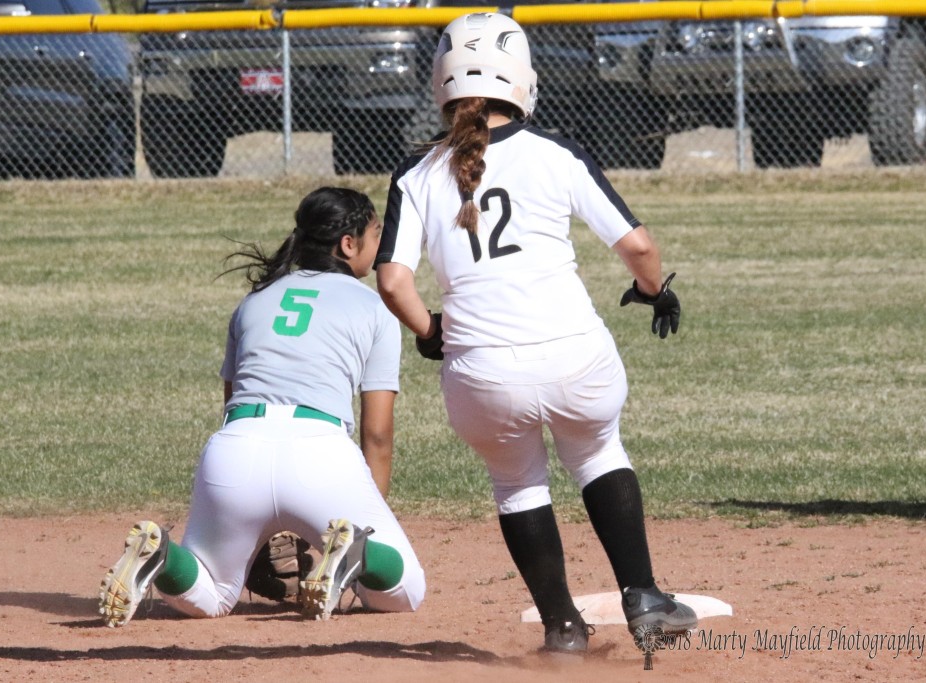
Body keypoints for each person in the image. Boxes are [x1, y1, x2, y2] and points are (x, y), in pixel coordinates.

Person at [374, 13, 695, 654]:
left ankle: (563, 629)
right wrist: (656, 291)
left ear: (439, 83)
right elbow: (638, 247)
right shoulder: (556, 153)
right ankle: (644, 595)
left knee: (518, 484)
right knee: (599, 454)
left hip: (483, 371)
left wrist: (430, 329)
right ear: (523, 81)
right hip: (575, 354)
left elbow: (390, 280)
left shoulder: (416, 175)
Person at [99, 187, 425, 627]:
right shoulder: (376, 308)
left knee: (211, 595)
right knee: (403, 591)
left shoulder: (253, 301)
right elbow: (378, 435)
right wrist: (363, 522)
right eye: (374, 233)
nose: (378, 243)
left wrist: (260, 521)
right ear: (348, 245)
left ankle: (163, 556)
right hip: (320, 452)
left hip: (235, 449)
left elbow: (231, 402)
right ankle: (358, 552)